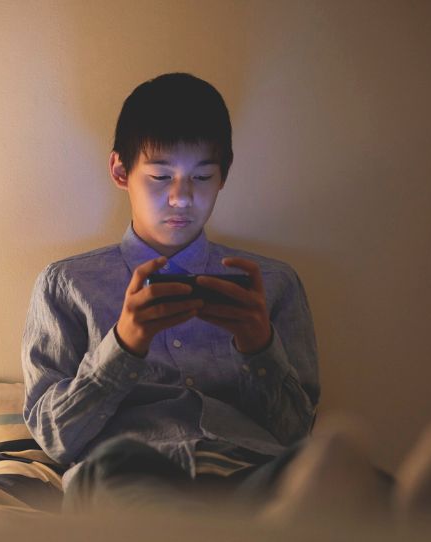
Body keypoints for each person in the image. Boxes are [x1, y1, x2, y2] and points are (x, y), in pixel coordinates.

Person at [21, 72, 337, 516]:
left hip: (247, 470)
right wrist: (124, 345)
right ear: (120, 170)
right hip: (126, 470)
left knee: (325, 470)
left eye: (201, 176)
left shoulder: (274, 283)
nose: (181, 197)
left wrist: (258, 346)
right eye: (160, 176)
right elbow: (56, 438)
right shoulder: (66, 285)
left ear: (223, 175)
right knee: (113, 467)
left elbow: (293, 433)